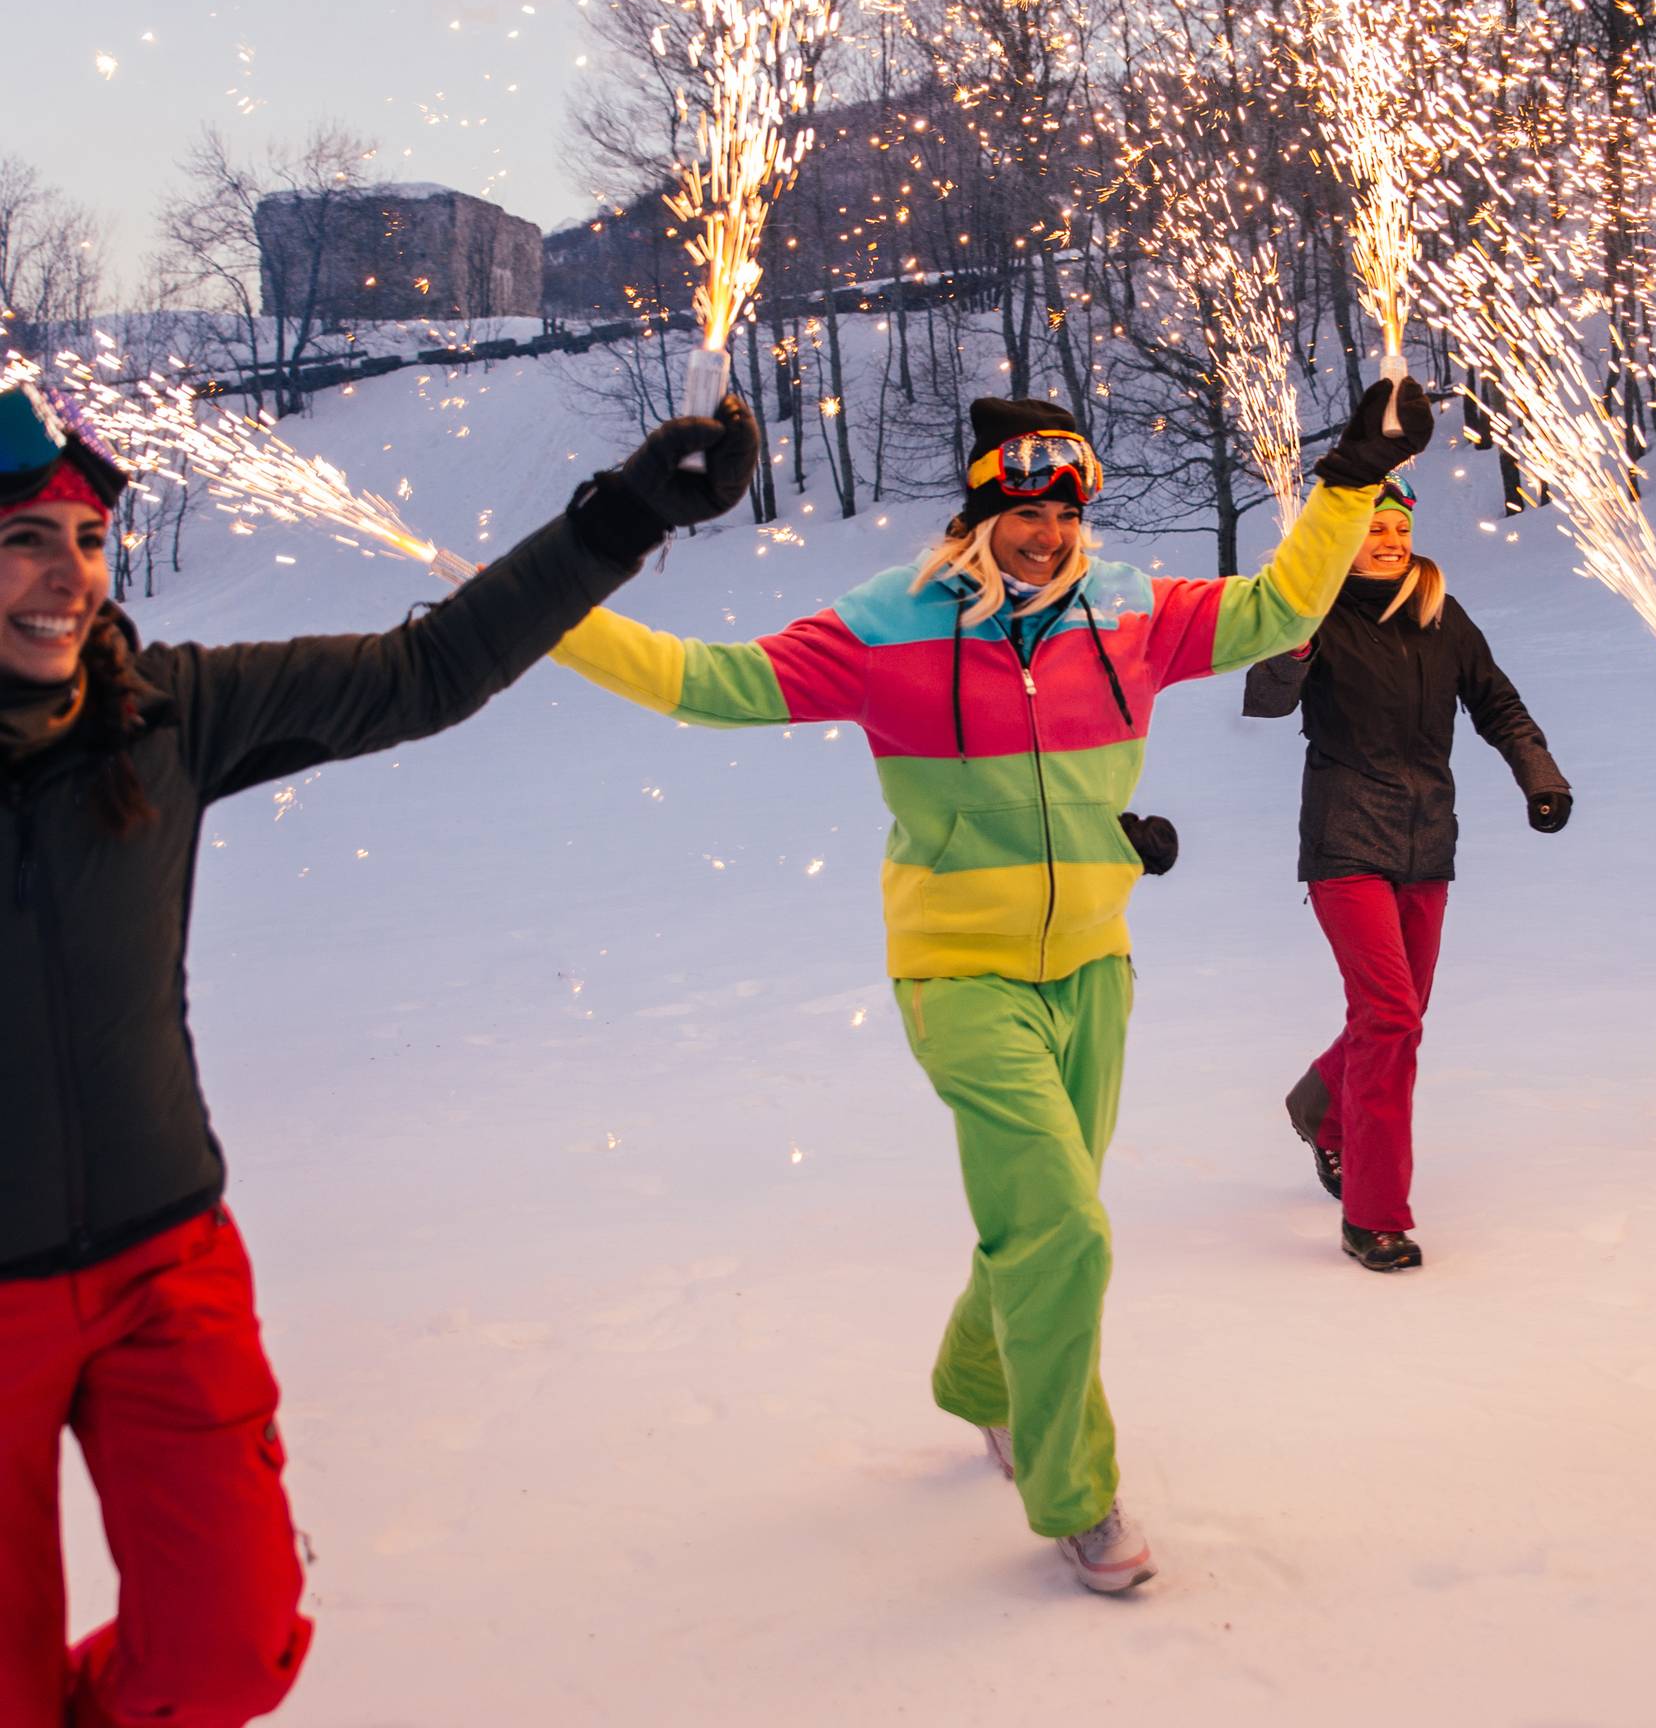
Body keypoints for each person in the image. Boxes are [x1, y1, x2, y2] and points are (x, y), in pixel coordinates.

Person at [549, 382, 1432, 1592]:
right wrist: (544, 608)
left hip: (1093, 965)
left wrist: (1344, 485)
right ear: (977, 512)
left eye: (1065, 511)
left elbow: (1282, 606)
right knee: (1064, 1227)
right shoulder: (890, 622)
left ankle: (978, 1374)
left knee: (1042, 1217)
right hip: (959, 972)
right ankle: (1074, 1491)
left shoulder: (1131, 612)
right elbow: (709, 680)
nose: (1046, 533)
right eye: (1022, 510)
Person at [0, 376, 757, 1728]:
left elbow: (426, 671)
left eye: (89, 540)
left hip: (164, 1267)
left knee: (230, 1648)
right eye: (23, 541)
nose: (69, 577)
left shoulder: (165, 714)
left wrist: (624, 519)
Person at [1243, 469, 1571, 1272]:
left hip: (1427, 845)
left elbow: (1499, 705)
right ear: (1342, 539)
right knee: (1391, 1018)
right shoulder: (1312, 608)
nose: (1389, 543)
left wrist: (1541, 776)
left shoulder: (1439, 613)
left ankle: (1321, 1106)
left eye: (1399, 529)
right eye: (1372, 530)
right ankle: (1374, 1214)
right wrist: (1291, 641)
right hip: (1346, 842)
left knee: (1399, 1014)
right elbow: (1266, 699)